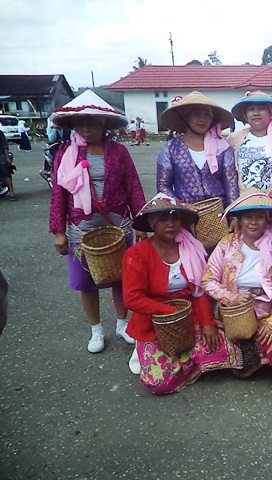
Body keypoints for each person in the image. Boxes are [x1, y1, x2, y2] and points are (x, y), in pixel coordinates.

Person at [49, 90, 147, 353]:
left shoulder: (119, 151)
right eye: (80, 123)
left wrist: (141, 224)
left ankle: (122, 324)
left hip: (118, 222)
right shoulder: (65, 154)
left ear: (104, 125)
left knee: (121, 276)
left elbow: (133, 187)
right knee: (85, 280)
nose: (86, 128)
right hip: (80, 226)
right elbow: (58, 194)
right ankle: (96, 330)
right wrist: (58, 231)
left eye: (92, 122)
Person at [123, 194, 242, 394]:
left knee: (230, 350)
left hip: (189, 318)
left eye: (175, 218)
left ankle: (179, 363)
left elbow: (199, 291)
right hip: (153, 323)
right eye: (163, 219)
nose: (171, 224)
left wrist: (207, 323)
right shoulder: (137, 254)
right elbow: (132, 298)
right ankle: (173, 359)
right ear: (152, 224)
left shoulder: (190, 249)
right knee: (159, 382)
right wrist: (170, 311)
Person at [202, 189, 272, 386]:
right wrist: (233, 297)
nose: (253, 222)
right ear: (239, 220)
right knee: (211, 346)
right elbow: (208, 280)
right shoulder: (226, 244)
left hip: (265, 315)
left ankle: (253, 356)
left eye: (259, 217)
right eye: (248, 217)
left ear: (267, 219)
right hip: (234, 317)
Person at [156, 91, 239, 209]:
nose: (202, 119)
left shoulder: (223, 148)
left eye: (207, 115)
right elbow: (163, 185)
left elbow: (231, 185)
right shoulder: (171, 149)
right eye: (196, 114)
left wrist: (232, 216)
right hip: (184, 216)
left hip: (218, 216)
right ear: (186, 118)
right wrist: (181, 205)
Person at [0, 130, 16, 201]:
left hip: (1, 155)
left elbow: (5, 145)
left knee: (6, 173)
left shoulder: (0, 133)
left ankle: (11, 192)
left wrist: (7, 157)